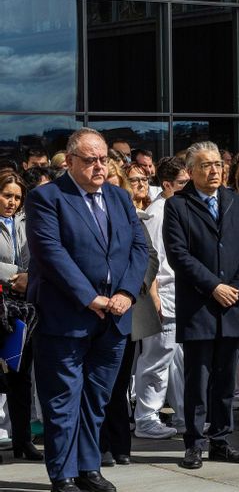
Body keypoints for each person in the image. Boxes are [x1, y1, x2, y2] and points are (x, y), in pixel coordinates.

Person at [26, 127, 149, 492]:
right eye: (91, 159)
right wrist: (88, 297)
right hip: (66, 318)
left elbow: (138, 248)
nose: (99, 166)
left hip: (114, 319)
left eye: (104, 159)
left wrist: (127, 292)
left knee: (96, 399)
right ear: (71, 161)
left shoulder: (118, 197)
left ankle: (88, 467)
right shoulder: (46, 198)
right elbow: (50, 253)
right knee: (63, 401)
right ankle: (63, 474)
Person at [163, 141, 239, 470]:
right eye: (205, 165)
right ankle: (194, 442)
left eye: (218, 164)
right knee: (197, 380)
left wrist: (237, 288)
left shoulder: (234, 202)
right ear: (190, 171)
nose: (214, 170)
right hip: (199, 306)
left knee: (225, 381)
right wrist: (213, 286)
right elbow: (179, 256)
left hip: (232, 305)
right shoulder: (177, 206)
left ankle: (221, 440)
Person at [99, 169, 162, 467]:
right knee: (100, 382)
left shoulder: (131, 215)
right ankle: (100, 445)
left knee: (121, 380)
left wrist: (130, 289)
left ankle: (120, 444)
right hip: (97, 307)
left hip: (128, 307)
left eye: (115, 185)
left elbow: (150, 256)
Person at [135, 158, 189, 438]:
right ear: (167, 185)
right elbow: (152, 260)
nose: (187, 188)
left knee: (178, 360)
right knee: (156, 359)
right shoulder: (158, 212)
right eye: (182, 183)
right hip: (163, 296)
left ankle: (183, 415)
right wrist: (154, 298)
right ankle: (146, 417)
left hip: (179, 297)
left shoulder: (178, 210)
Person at [0, 170, 41, 461]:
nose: (12, 202)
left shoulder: (27, 221)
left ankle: (22, 440)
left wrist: (31, 276)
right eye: (6, 195)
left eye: (17, 197)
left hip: (24, 306)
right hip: (0, 300)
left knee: (21, 376)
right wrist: (16, 274)